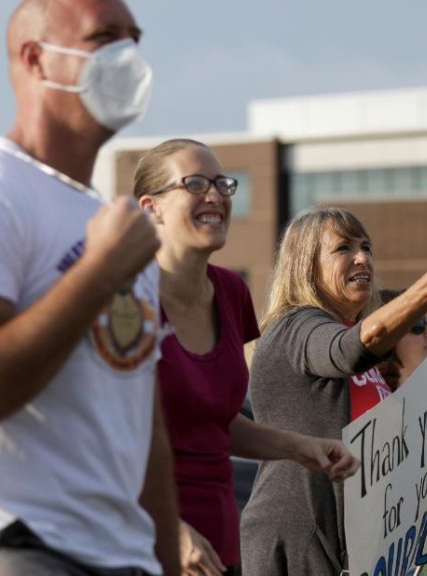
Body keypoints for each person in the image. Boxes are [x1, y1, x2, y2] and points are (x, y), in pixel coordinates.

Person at [0, 1, 180, 575]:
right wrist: (99, 272)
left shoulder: (119, 231)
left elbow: (145, 433)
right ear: (35, 58)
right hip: (5, 549)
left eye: (135, 39)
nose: (130, 58)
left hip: (121, 559)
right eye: (106, 38)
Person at [240, 207, 427, 576]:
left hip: (360, 548)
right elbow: (357, 345)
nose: (362, 257)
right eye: (343, 248)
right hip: (304, 538)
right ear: (305, 265)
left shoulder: (363, 356)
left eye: (366, 247)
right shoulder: (294, 326)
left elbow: (378, 460)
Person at [132, 139, 360, 576]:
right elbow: (96, 437)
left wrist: (302, 447)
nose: (215, 195)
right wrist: (168, 528)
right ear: (150, 208)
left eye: (222, 184)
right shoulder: (120, 296)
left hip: (219, 543)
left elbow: (212, 422)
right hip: (140, 539)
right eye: (195, 184)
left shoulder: (232, 293)